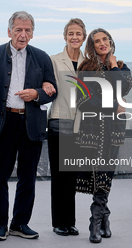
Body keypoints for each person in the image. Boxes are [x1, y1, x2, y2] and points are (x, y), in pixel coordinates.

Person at [0, 11, 57, 241]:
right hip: (4, 124)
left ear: (32, 33)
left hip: (31, 124)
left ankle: (19, 223)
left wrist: (36, 93)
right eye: (18, 30)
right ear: (9, 32)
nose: (23, 34)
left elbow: (51, 91)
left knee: (28, 177)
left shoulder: (42, 57)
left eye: (27, 30)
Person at [75, 28, 132, 243]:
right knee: (97, 174)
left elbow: (124, 87)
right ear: (92, 45)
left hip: (114, 130)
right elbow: (82, 100)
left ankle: (96, 220)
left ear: (110, 42)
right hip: (91, 129)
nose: (102, 43)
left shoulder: (121, 67)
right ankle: (101, 218)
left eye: (105, 40)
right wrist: (112, 105)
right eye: (97, 41)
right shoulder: (85, 68)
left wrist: (112, 66)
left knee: (106, 172)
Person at [48, 18, 86, 236]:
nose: (74, 37)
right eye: (70, 33)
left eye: (78, 34)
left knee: (71, 175)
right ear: (65, 36)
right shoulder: (54, 60)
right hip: (59, 121)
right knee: (59, 175)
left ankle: (70, 221)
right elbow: (47, 85)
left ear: (83, 37)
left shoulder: (88, 63)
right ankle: (58, 222)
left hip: (81, 124)